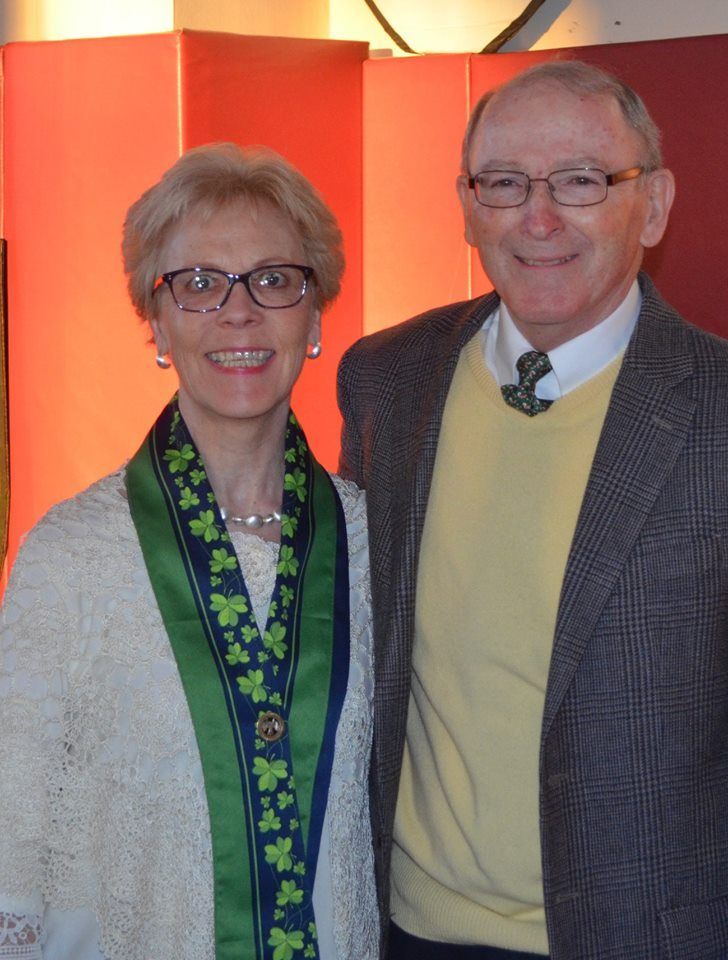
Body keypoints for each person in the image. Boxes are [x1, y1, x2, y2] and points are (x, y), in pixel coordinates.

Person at [337, 60, 728, 960]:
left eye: (583, 181)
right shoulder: (386, 381)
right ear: (468, 206)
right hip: (404, 933)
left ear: (655, 204)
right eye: (505, 183)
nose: (539, 217)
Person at [0, 143, 377, 960]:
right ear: (155, 319)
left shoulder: (374, 543)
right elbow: (12, 843)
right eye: (199, 284)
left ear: (315, 314)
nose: (238, 313)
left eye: (274, 279)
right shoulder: (70, 555)